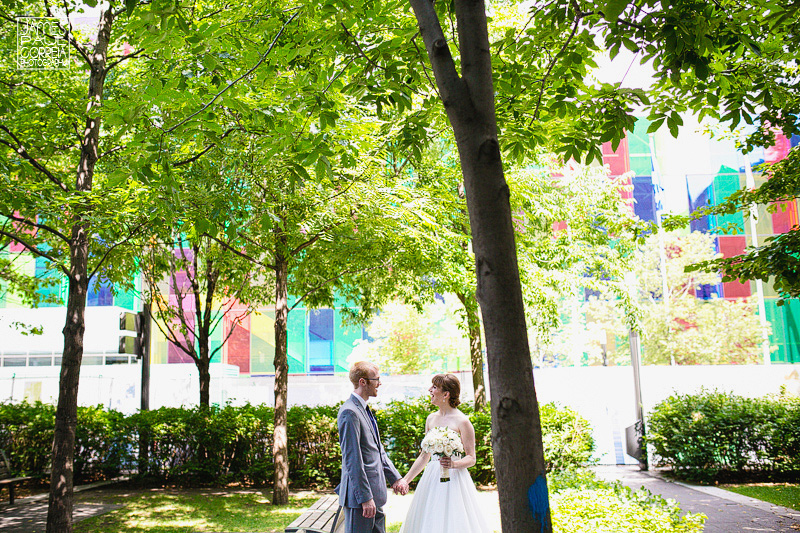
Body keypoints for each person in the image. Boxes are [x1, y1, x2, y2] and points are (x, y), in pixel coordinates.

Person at [399, 373, 492, 533]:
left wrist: (454, 464)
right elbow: (424, 456)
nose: (430, 390)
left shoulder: (463, 421)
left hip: (455, 479)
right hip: (432, 477)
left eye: (434, 387)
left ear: (446, 394)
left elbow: (471, 458)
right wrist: (405, 480)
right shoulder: (431, 419)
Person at [338, 361, 409, 533]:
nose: (380, 383)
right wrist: (365, 498)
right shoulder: (350, 412)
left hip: (374, 496)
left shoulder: (364, 409)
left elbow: (377, 450)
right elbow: (352, 460)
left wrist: (396, 478)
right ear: (363, 382)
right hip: (361, 500)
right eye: (376, 379)